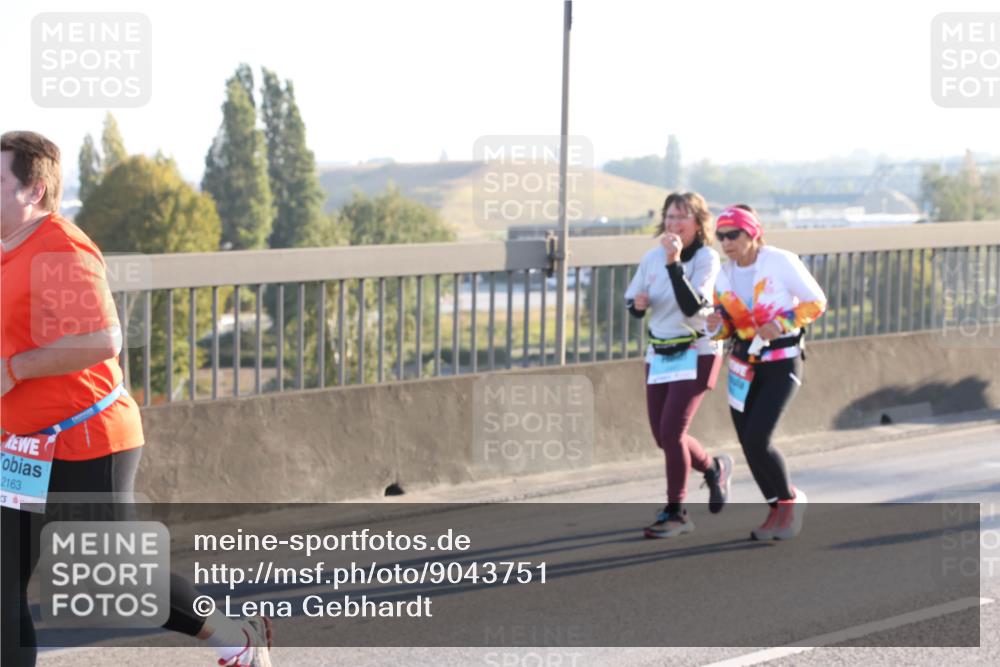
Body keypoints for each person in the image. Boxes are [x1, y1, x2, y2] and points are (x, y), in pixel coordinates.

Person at [1, 131, 272, 667]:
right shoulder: (7, 252)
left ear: (33, 191)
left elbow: (104, 339)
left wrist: (14, 369)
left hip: (84, 438)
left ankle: (232, 638)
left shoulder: (58, 247)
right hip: (23, 449)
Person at [706, 205, 826, 541]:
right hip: (743, 364)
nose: (727, 242)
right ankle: (775, 509)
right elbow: (726, 325)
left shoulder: (779, 261)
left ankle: (790, 501)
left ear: (753, 233)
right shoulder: (723, 274)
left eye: (735, 235)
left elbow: (816, 301)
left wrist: (782, 322)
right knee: (747, 442)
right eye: (721, 236)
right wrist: (717, 326)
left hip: (782, 361)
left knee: (760, 437)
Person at [625, 191, 734, 539]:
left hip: (698, 351)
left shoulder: (706, 259)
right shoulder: (651, 258)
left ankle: (677, 511)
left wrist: (674, 263)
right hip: (660, 353)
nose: (673, 224)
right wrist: (638, 305)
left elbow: (692, 306)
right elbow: (634, 303)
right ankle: (712, 467)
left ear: (698, 223)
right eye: (669, 217)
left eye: (681, 218)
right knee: (664, 436)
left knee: (673, 432)